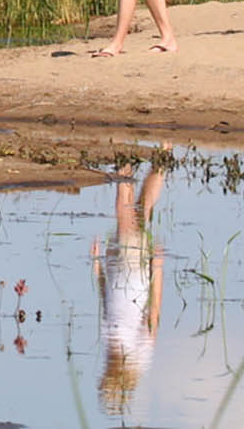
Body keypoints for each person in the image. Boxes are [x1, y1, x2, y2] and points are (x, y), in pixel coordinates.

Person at [93, 158, 166, 416]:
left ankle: (153, 159)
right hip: (134, 277)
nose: (103, 377)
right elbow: (153, 315)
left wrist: (98, 268)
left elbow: (107, 307)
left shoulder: (110, 351)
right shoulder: (138, 358)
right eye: (106, 383)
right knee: (129, 213)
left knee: (139, 212)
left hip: (116, 270)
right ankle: (128, 159)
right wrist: (157, 268)